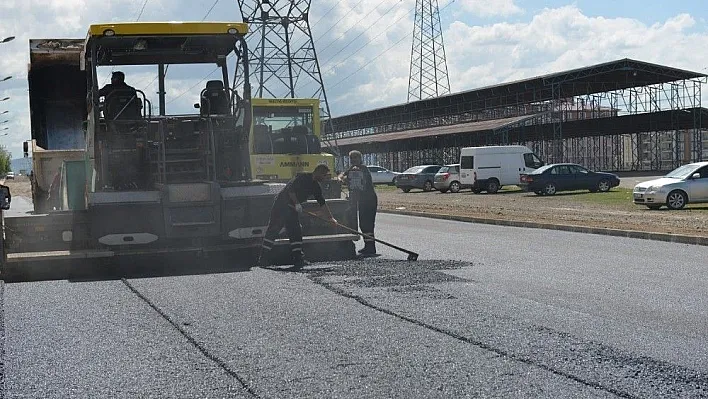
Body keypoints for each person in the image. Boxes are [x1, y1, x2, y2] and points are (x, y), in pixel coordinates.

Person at [258, 164, 337, 270]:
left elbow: (322, 202)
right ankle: (263, 259)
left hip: (292, 208)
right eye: (324, 175)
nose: (324, 178)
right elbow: (291, 190)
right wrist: (297, 203)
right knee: (274, 229)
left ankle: (298, 259)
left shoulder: (315, 186)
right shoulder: (302, 177)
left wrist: (330, 218)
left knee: (296, 231)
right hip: (282, 205)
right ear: (318, 172)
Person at [339, 150, 378, 255]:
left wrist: (347, 179)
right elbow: (341, 176)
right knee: (363, 224)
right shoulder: (351, 169)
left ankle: (371, 248)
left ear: (360, 158)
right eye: (352, 158)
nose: (354, 160)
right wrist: (342, 178)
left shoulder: (363, 169)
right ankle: (368, 246)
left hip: (369, 199)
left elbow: (357, 179)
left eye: (356, 158)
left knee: (367, 224)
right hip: (361, 201)